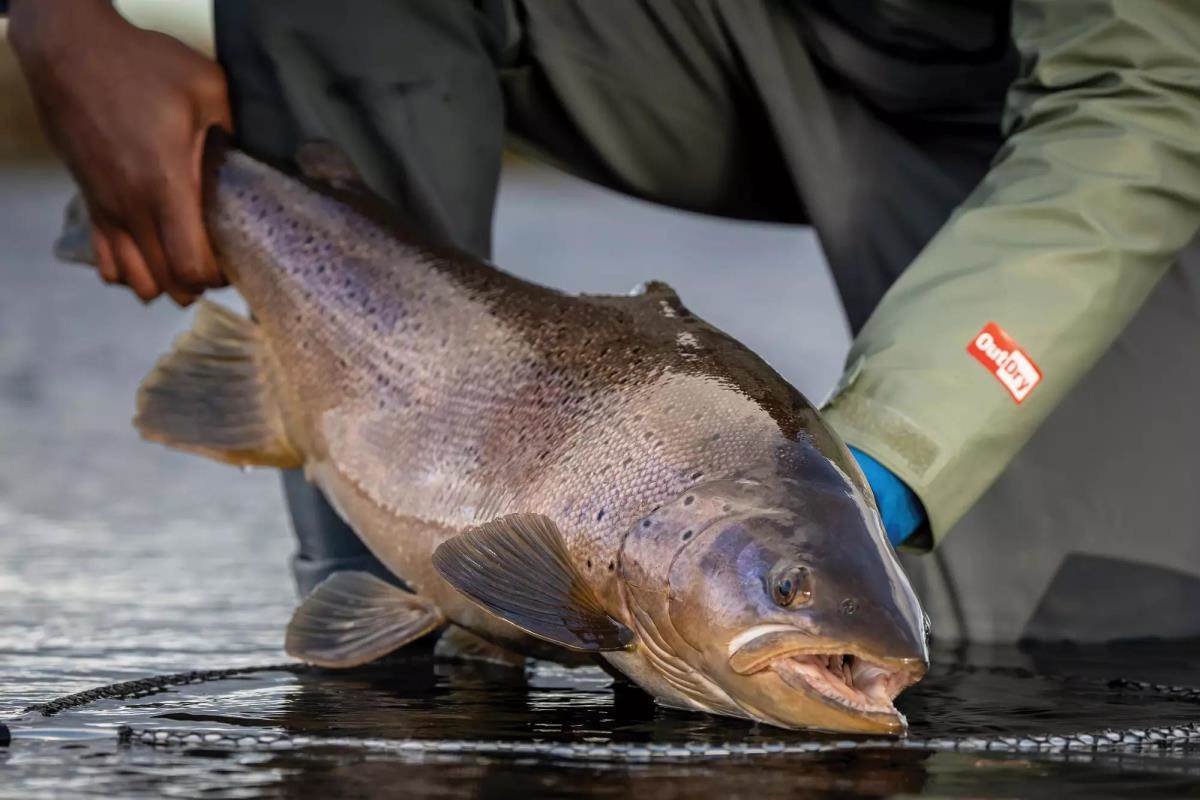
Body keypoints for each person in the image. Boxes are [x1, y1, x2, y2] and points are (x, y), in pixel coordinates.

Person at [7, 0, 1200, 643]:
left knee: (1109, 656)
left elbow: (1140, 96)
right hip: (684, 30)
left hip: (1059, 118)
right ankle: (407, 612)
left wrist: (872, 471)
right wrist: (55, 18)